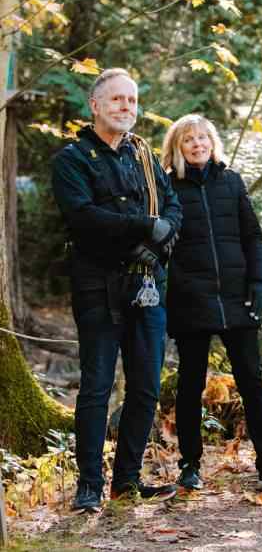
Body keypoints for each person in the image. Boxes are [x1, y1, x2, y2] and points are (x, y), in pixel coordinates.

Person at [51, 68, 182, 512]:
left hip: (148, 285)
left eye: (132, 100)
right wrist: (145, 227)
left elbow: (172, 207)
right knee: (97, 387)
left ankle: (126, 481)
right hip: (97, 287)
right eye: (117, 100)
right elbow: (84, 218)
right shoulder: (72, 159)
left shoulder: (143, 155)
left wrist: (158, 246)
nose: (127, 108)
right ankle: (89, 484)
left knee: (145, 387)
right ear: (95, 105)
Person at [160, 115, 262, 493]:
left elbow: (253, 236)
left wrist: (259, 284)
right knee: (190, 384)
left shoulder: (230, 182)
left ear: (212, 142)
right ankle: (190, 465)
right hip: (192, 301)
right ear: (177, 147)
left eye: (203, 137)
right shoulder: (168, 188)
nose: (197, 144)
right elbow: (164, 248)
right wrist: (180, 290)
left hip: (237, 298)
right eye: (189, 140)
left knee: (252, 381)